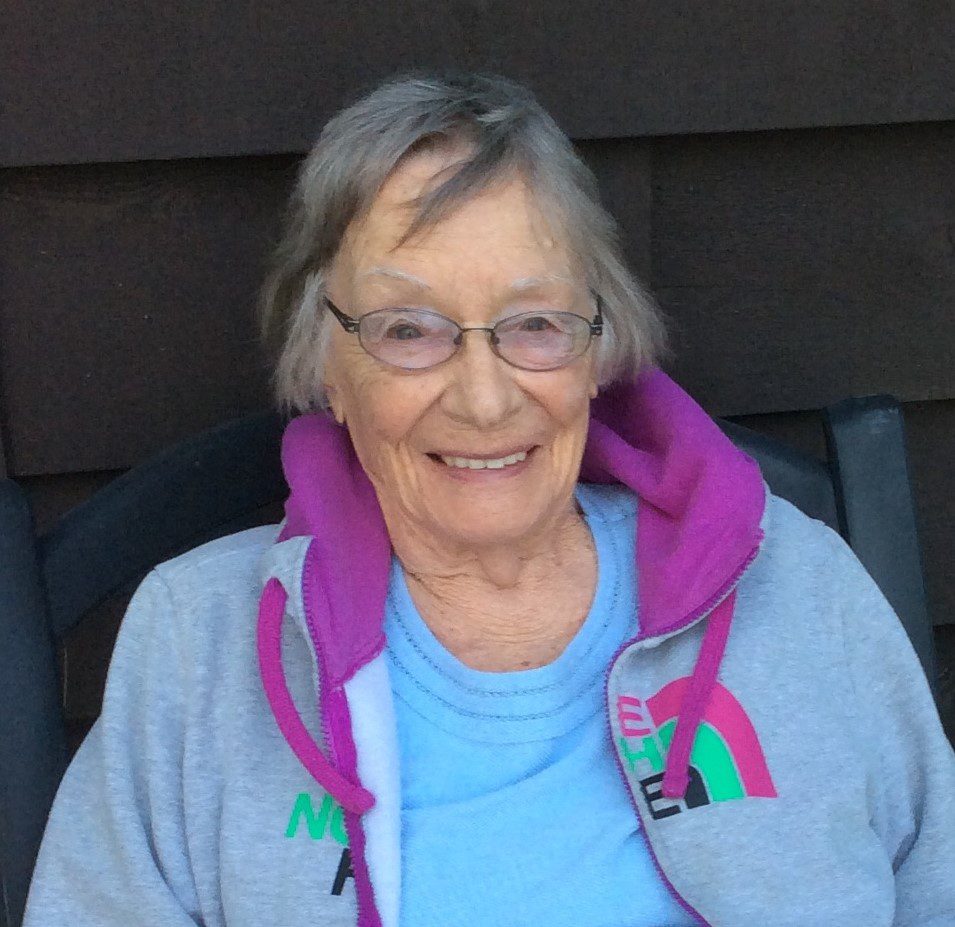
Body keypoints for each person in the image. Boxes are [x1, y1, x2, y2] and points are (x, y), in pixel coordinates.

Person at [24, 72, 955, 927]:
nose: (483, 398)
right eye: (406, 329)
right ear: (325, 366)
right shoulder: (197, 646)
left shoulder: (794, 583)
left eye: (535, 323)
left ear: (599, 348)